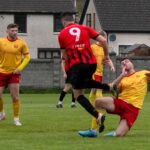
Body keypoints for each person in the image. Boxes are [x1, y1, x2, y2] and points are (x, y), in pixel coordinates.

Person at [58, 13, 113, 132]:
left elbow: (65, 56)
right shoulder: (85, 28)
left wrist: (69, 67)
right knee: (85, 82)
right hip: (92, 64)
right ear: (74, 20)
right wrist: (107, 56)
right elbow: (103, 40)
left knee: (78, 95)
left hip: (77, 66)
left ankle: (98, 115)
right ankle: (108, 87)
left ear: (63, 22)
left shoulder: (62, 34)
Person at [95, 58, 150, 137]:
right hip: (121, 103)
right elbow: (111, 87)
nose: (124, 63)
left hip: (133, 108)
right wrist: (122, 75)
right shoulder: (122, 79)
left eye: (127, 61)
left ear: (132, 64)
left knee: (119, 134)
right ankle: (100, 118)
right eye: (122, 63)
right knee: (98, 102)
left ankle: (111, 134)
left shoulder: (143, 73)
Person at [79, 31, 115, 137]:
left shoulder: (104, 50)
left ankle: (100, 113)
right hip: (91, 73)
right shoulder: (92, 47)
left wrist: (111, 65)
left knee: (95, 98)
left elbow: (107, 59)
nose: (104, 41)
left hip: (99, 74)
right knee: (92, 97)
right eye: (103, 38)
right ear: (98, 39)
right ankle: (96, 122)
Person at [0, 23, 30, 126]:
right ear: (7, 31)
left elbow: (27, 57)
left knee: (15, 97)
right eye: (12, 31)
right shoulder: (1, 41)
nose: (15, 32)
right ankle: (1, 113)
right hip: (1, 72)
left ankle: (16, 119)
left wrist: (19, 68)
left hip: (14, 73)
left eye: (16, 31)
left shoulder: (22, 43)